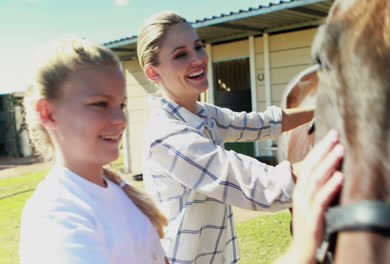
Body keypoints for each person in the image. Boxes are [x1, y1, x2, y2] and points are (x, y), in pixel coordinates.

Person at [137, 11, 343, 264]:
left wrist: (325, 108)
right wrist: (343, 152)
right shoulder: (166, 136)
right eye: (180, 54)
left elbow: (261, 124)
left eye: (198, 47)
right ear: (153, 73)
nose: (197, 59)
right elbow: (256, 184)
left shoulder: (203, 114)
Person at [19, 37, 168, 264]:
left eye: (121, 105)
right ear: (48, 113)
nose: (121, 120)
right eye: (100, 104)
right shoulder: (57, 216)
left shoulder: (116, 191)